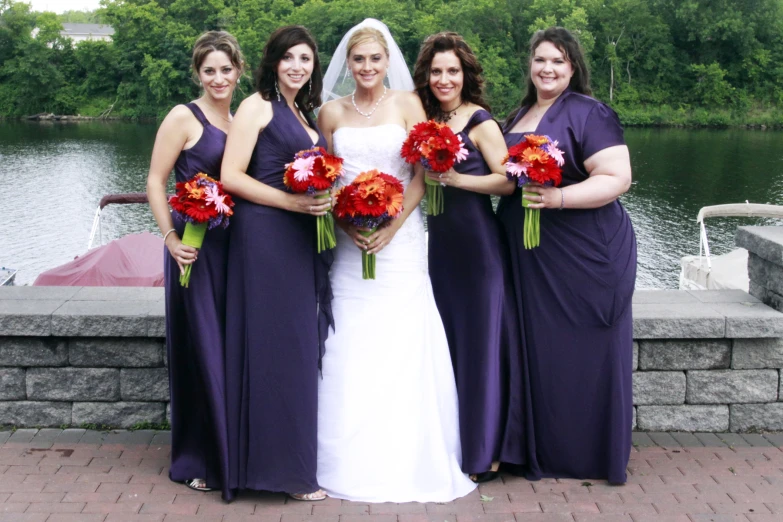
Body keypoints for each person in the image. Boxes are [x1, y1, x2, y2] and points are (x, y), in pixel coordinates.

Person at [316, 19, 476, 502]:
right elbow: (326, 178)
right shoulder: (329, 113)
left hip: (401, 242)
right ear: (348, 64)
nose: (367, 68)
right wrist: (348, 225)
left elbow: (421, 176)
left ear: (389, 63)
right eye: (359, 60)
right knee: (349, 339)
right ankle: (341, 457)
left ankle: (408, 455)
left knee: (402, 339)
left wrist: (389, 227)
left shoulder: (409, 104)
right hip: (349, 242)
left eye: (375, 59)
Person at [499, 26, 637, 484]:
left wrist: (559, 199)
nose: (547, 68)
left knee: (584, 354)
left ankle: (591, 455)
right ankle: (540, 448)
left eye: (557, 60)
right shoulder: (518, 114)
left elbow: (617, 177)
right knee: (542, 352)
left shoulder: (589, 113)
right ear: (530, 65)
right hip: (533, 260)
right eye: (540, 59)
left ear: (572, 67)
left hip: (583, 253)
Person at [412, 32, 529, 482]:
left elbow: (507, 181)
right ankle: (455, 442)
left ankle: (486, 452)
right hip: (441, 250)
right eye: (437, 71)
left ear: (466, 74)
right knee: (450, 348)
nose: (444, 79)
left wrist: (457, 181)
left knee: (481, 348)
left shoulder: (480, 122)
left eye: (452, 71)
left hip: (478, 248)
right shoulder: (424, 121)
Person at [220, 26, 331, 501]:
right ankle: (277, 473)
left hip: (301, 240)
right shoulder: (257, 106)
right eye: (289, 57)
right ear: (273, 61)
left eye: (305, 59)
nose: (297, 66)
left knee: (296, 350)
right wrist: (290, 205)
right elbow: (230, 176)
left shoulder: (303, 113)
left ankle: (287, 465)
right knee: (274, 349)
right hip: (265, 238)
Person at [146, 31, 243, 502]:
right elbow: (154, 179)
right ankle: (200, 455)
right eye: (210, 70)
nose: (219, 78)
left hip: (236, 250)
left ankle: (236, 448)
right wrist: (170, 239)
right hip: (194, 249)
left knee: (232, 344)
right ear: (198, 74)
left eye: (226, 69)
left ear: (239, 71)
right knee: (202, 345)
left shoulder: (244, 117)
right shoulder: (184, 116)